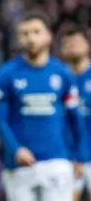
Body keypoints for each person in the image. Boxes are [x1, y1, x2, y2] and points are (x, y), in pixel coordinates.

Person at [0, 12, 88, 201]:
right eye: (24, 33)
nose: (31, 38)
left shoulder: (62, 73)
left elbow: (75, 118)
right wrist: (15, 149)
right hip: (19, 166)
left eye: (36, 32)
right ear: (18, 39)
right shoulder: (6, 74)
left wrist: (80, 156)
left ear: (48, 36)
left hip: (57, 160)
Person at [60, 26, 91, 201]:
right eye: (67, 44)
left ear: (87, 45)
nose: (72, 46)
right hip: (66, 157)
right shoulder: (56, 78)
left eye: (76, 42)